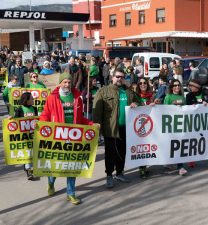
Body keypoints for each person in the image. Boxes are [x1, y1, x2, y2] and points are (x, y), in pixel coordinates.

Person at [39, 72, 96, 205]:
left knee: (72, 166)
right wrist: (41, 125)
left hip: (73, 137)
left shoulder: (77, 97)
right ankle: (51, 182)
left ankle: (71, 193)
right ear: (60, 83)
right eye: (64, 82)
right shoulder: (52, 97)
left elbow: (81, 118)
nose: (67, 84)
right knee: (55, 165)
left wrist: (91, 124)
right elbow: (45, 115)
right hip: (57, 137)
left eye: (69, 82)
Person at [93, 68, 140, 188]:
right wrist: (97, 127)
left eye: (122, 77)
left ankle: (119, 173)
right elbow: (97, 112)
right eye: (117, 76)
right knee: (110, 154)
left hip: (126, 128)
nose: (119, 79)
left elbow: (139, 101)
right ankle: (109, 175)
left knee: (122, 152)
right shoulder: (103, 91)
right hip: (111, 128)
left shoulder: (128, 92)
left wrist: (136, 104)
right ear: (112, 77)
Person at [185, 79, 208, 170]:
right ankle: (191, 159)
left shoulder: (206, 92)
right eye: (190, 86)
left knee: (207, 141)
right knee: (193, 141)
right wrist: (198, 104)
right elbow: (188, 107)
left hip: (206, 122)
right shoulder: (189, 95)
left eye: (192, 86)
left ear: (197, 87)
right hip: (194, 122)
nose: (190, 87)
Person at [164, 79, 188, 175]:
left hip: (180, 124)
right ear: (171, 87)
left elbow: (186, 110)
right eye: (175, 85)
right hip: (171, 125)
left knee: (180, 145)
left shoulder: (182, 98)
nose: (177, 87)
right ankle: (169, 163)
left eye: (178, 85)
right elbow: (164, 110)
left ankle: (180, 166)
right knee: (171, 145)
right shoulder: (168, 97)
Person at [13, 92, 38, 180]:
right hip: (24, 136)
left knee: (33, 151)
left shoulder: (34, 109)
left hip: (33, 135)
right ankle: (28, 170)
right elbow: (15, 121)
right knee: (27, 152)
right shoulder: (19, 110)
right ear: (26, 100)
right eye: (31, 98)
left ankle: (30, 168)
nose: (33, 100)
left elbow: (37, 120)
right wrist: (11, 119)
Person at [135, 77, 155, 178]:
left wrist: (155, 104)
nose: (143, 85)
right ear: (138, 85)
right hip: (140, 125)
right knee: (141, 147)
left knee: (149, 146)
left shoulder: (151, 96)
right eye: (140, 83)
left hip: (150, 125)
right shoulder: (135, 96)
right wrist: (134, 105)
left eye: (145, 83)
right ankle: (141, 168)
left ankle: (146, 166)